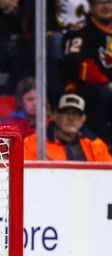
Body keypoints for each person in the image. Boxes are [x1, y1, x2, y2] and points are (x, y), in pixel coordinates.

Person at [62, 0, 112, 147]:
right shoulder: (80, 32)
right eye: (100, 3)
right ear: (91, 6)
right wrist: (107, 84)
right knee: (102, 94)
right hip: (85, 89)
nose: (106, 6)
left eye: (109, 2)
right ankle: (102, 145)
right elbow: (81, 66)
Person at [23, 93, 112, 161]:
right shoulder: (35, 143)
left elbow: (108, 176)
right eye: (66, 112)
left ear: (83, 119)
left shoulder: (96, 145)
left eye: (76, 114)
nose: (71, 118)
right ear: (56, 116)